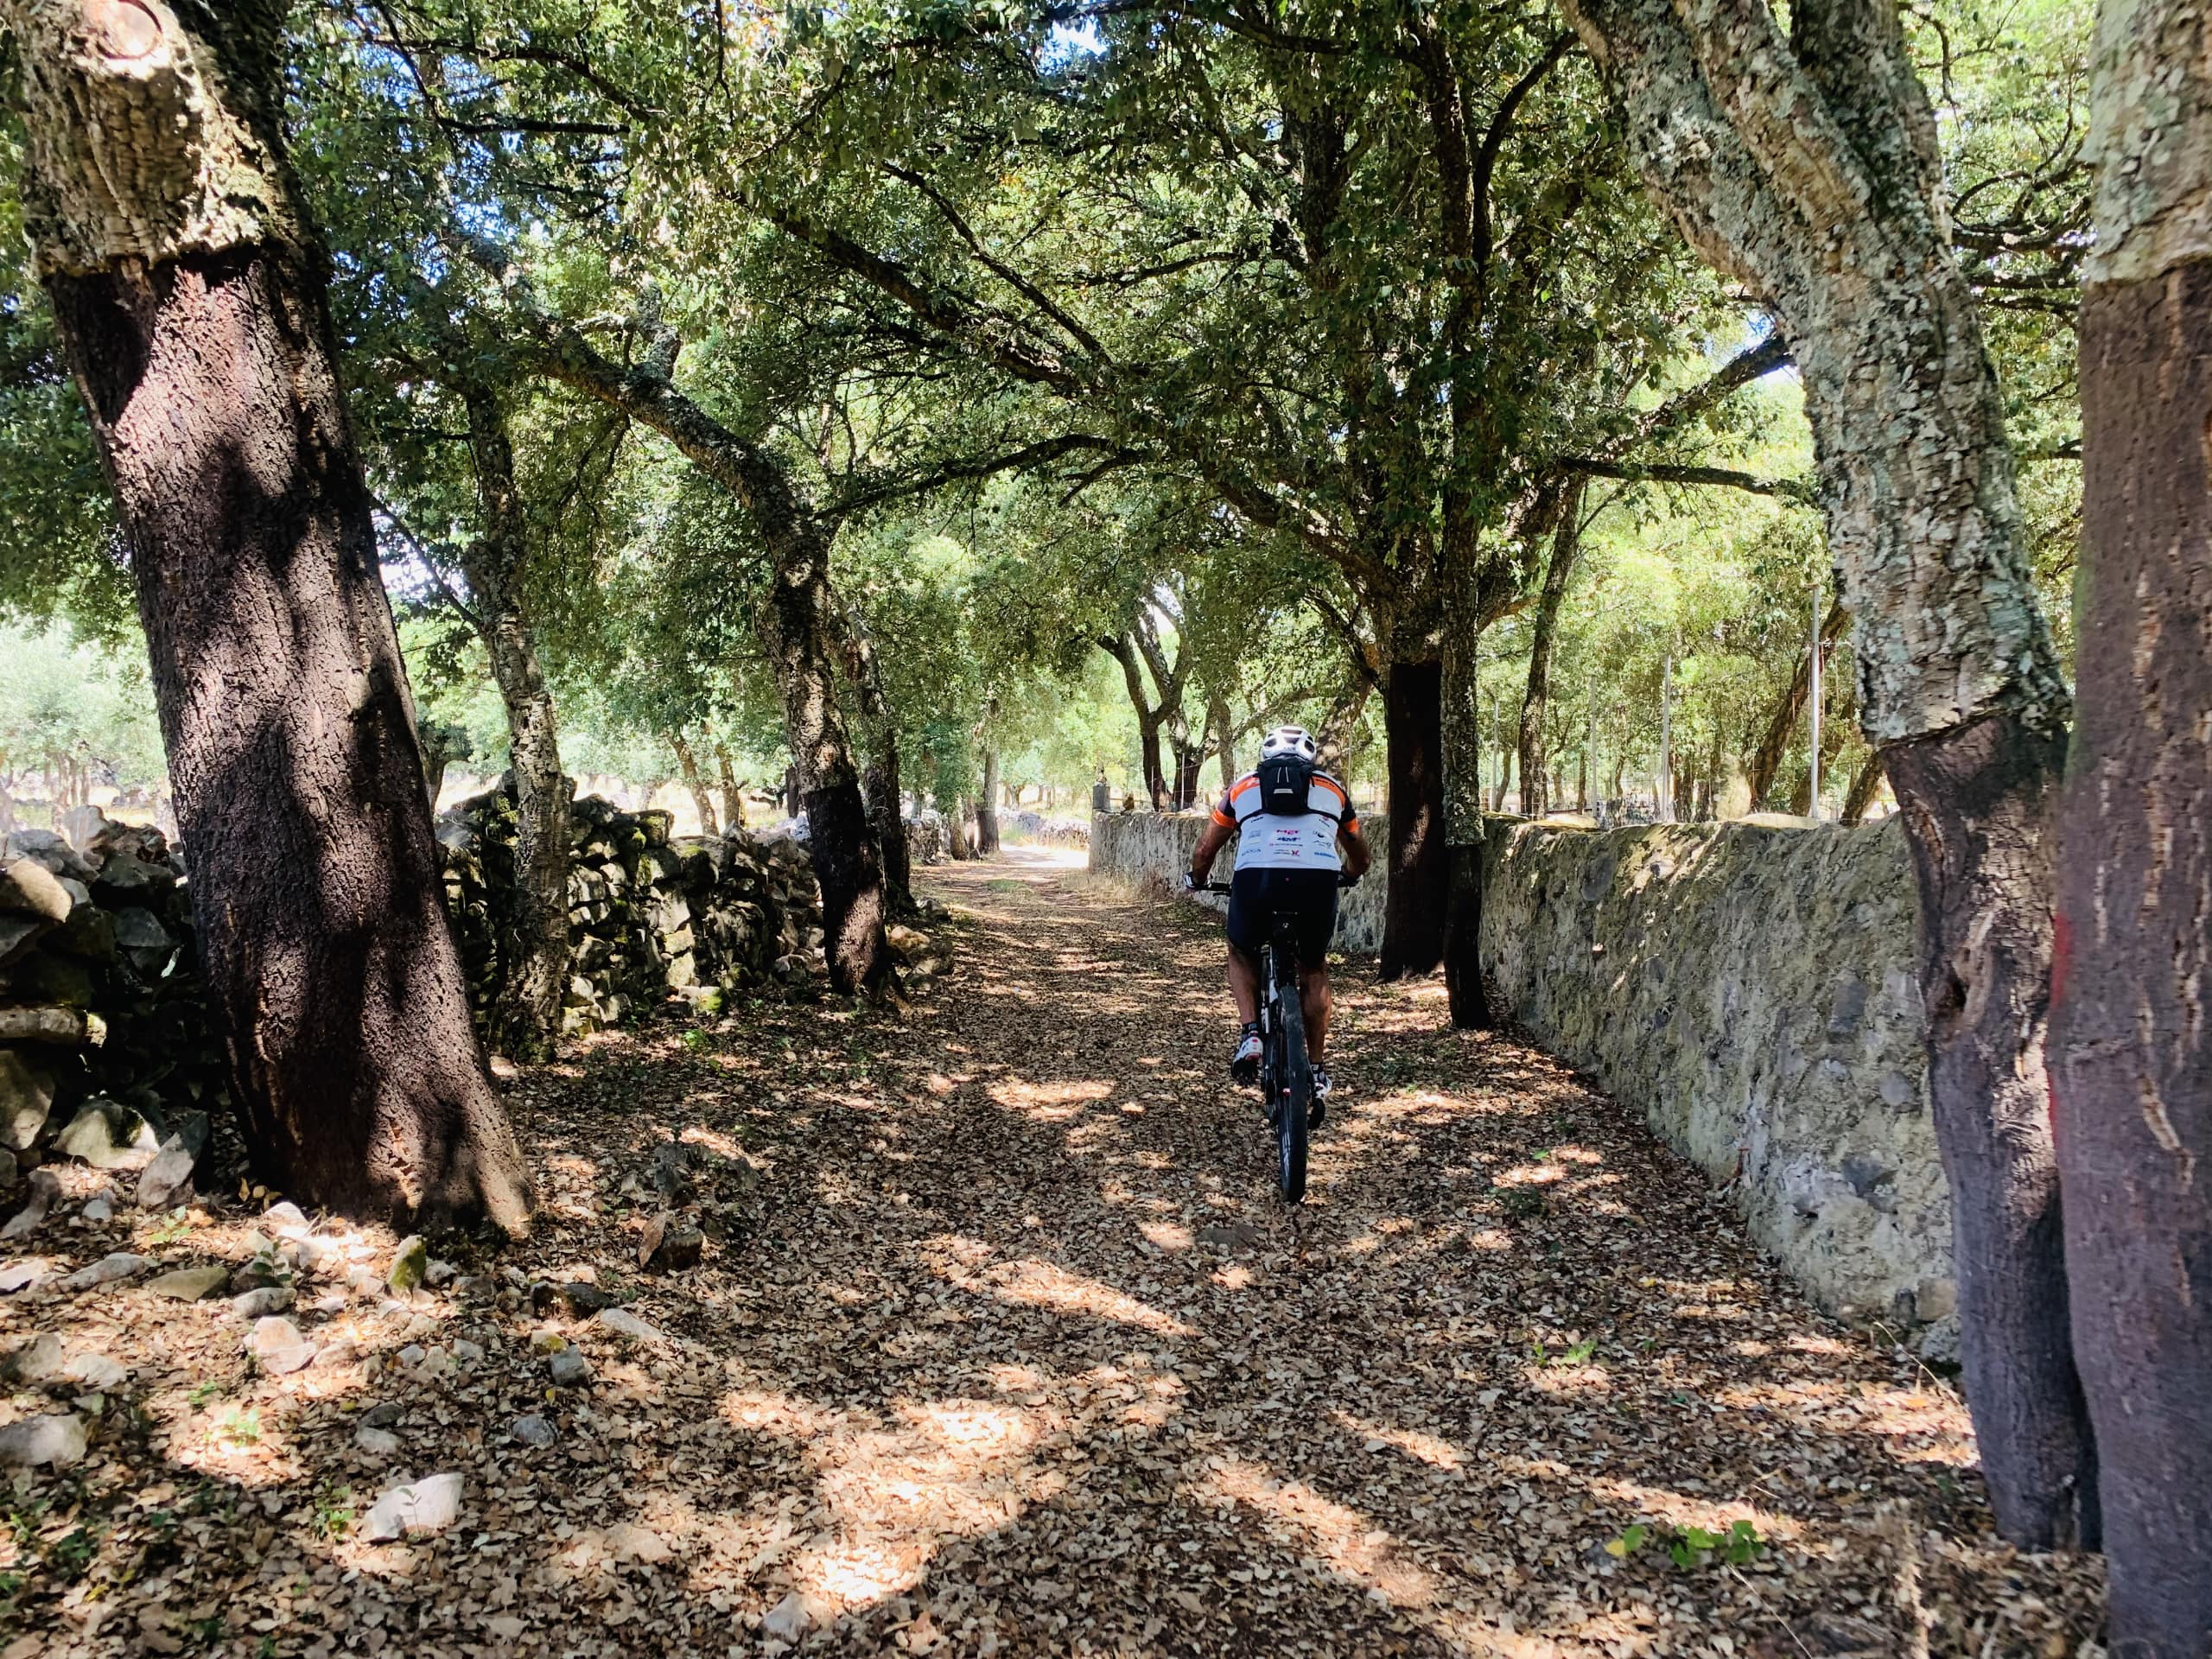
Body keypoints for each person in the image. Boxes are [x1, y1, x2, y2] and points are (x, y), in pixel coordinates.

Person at [1184, 725, 1370, 1108]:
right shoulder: (1334, 791)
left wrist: (1196, 878)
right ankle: (1316, 1069)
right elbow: (1361, 855)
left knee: (1240, 949)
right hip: (1317, 882)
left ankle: (1251, 1032)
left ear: (1266, 757)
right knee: (1313, 967)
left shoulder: (1241, 788)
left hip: (1257, 879)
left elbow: (1206, 849)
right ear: (1310, 758)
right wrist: (1348, 875)